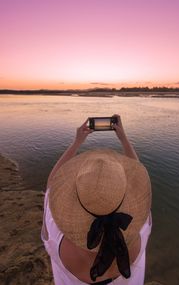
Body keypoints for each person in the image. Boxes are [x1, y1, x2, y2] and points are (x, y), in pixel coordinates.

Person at [41, 114, 152, 285]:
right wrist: (123, 138)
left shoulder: (57, 239)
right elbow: (139, 180)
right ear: (123, 195)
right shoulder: (140, 231)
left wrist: (77, 142)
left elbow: (51, 186)